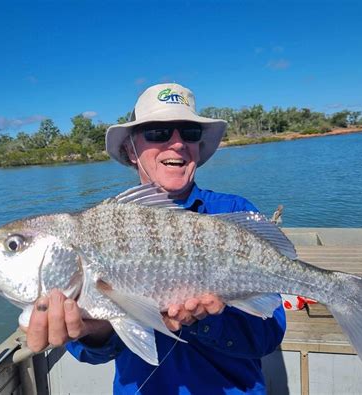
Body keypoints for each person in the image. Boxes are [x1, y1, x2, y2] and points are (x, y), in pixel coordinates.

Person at [24, 83, 286, 394]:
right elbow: (91, 353)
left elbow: (268, 335)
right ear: (129, 150)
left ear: (199, 147)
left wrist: (204, 321)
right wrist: (97, 329)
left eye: (189, 132)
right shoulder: (100, 225)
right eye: (158, 132)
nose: (176, 143)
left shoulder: (235, 212)